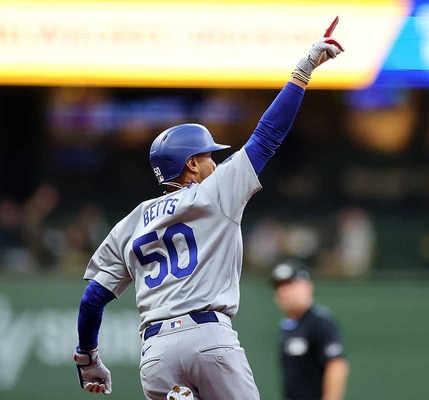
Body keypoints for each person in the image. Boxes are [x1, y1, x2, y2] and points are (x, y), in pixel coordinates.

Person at [72, 17, 344, 400]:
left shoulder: (130, 222)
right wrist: (304, 70)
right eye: (208, 156)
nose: (215, 163)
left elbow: (92, 300)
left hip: (155, 354)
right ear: (191, 165)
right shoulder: (213, 191)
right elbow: (266, 137)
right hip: (208, 336)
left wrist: (88, 359)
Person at [271, 259, 350, 400]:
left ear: (306, 286)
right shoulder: (289, 326)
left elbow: (336, 365)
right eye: (278, 286)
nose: (283, 291)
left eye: (289, 284)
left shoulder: (319, 322)